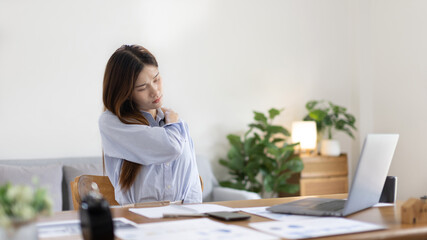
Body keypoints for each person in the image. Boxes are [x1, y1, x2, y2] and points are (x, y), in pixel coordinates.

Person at [98, 44, 202, 205]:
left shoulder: (176, 123)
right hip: (138, 219)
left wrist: (195, 218)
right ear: (125, 93)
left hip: (183, 219)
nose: (155, 91)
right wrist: (173, 124)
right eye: (142, 88)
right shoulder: (111, 123)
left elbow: (193, 181)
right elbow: (171, 148)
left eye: (156, 79)